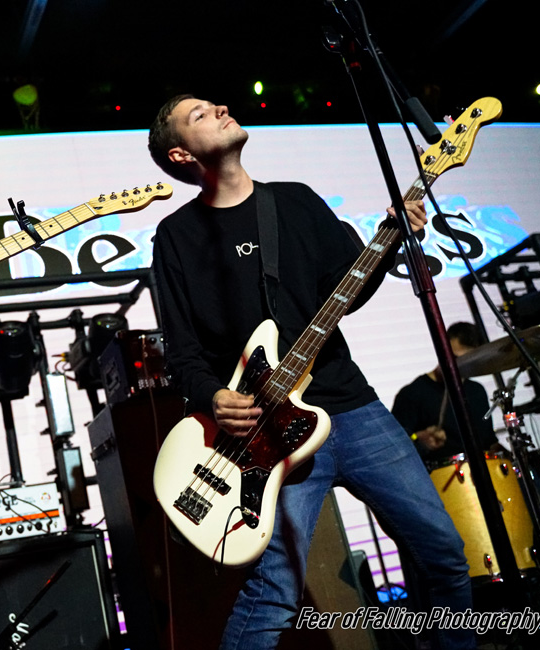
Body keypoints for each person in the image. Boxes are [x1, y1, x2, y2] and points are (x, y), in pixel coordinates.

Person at [148, 95, 474, 649]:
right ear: (180, 154)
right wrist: (213, 397)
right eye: (199, 113)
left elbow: (349, 291)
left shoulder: (295, 201)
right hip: (267, 437)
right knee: (274, 591)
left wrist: (392, 235)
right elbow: (181, 352)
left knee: (443, 553)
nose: (220, 107)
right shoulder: (177, 236)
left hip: (353, 408)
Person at [392, 321, 501, 465]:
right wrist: (417, 439)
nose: (457, 365)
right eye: (453, 357)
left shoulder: (477, 391)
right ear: (441, 350)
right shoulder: (412, 394)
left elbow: (488, 442)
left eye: (467, 360)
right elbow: (393, 448)